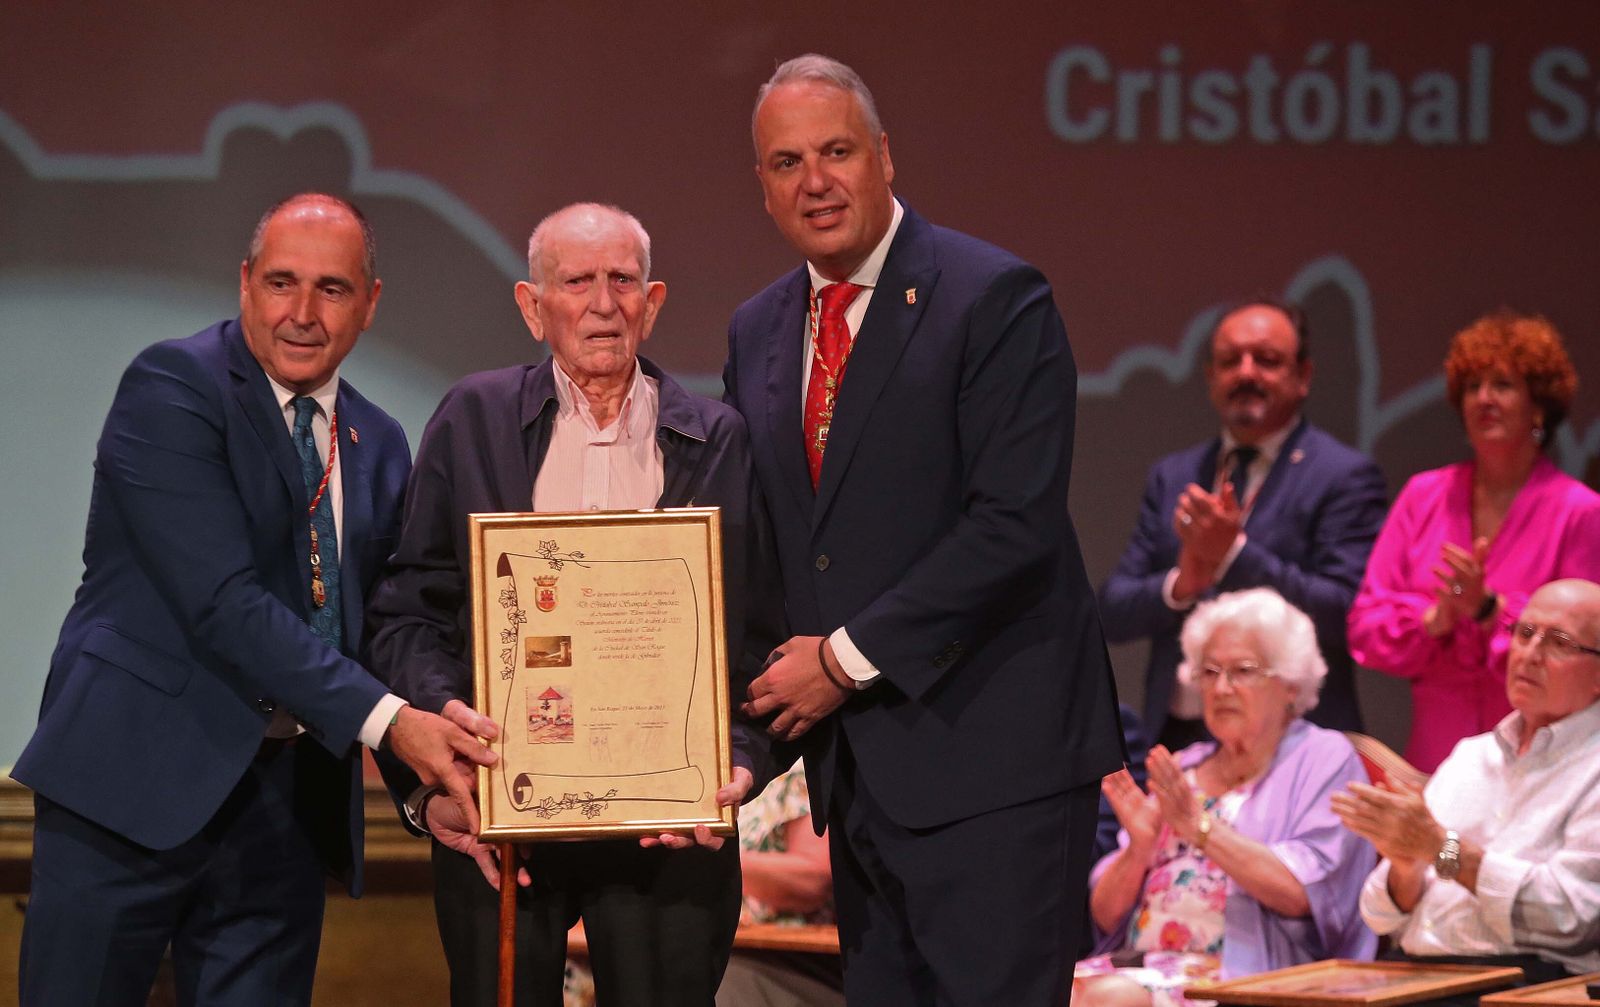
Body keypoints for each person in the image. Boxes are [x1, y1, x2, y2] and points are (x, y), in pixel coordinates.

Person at [12, 193, 497, 1007]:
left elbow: (369, 633)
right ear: (244, 285)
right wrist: (395, 726)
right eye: (281, 282)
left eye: (333, 289)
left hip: (282, 810)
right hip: (124, 793)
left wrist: (417, 786)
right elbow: (223, 602)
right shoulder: (172, 387)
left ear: (371, 303)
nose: (302, 313)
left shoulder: (376, 442)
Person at [725, 54, 1124, 1005]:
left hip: (995, 769)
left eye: (837, 152)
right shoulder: (758, 329)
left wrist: (844, 660)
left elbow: (1012, 527)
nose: (816, 181)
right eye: (787, 163)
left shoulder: (993, 297)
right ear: (763, 187)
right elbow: (773, 548)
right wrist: (734, 742)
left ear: (886, 157)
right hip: (862, 781)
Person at [367, 202, 785, 1006]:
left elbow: (760, 636)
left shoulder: (718, 438)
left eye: (623, 280)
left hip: (667, 833)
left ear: (653, 301)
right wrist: (449, 720)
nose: (603, 303)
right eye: (577, 281)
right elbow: (407, 610)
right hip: (506, 815)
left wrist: (737, 761)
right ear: (532, 307)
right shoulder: (472, 418)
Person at [1100, 298, 1387, 750]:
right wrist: (1183, 583)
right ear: (1211, 377)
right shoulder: (1173, 475)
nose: (1246, 373)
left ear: (1303, 376)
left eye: (1267, 361)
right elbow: (1112, 611)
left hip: (1293, 742)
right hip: (1179, 735)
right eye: (1230, 361)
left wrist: (1233, 555)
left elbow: (1346, 612)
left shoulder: (1343, 475)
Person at [1079, 588, 1376, 1007]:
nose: (1221, 688)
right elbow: (1105, 913)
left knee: (1110, 1000)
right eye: (1210, 671)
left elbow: (1302, 892)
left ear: (1291, 684)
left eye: (1242, 670)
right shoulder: (1183, 768)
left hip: (1240, 980)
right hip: (1133, 967)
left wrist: (1199, 828)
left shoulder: (1323, 759)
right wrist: (1139, 849)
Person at [1346, 312, 1600, 771]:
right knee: (1436, 847)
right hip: (1435, 750)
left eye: (1502, 385)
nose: (1484, 398)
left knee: (1482, 850)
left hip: (1540, 757)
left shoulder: (1580, 511)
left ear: (1538, 407)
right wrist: (1435, 619)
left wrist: (1490, 612)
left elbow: (1585, 646)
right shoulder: (1424, 496)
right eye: (1472, 387)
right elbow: (1366, 625)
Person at [1335, 578, 1600, 989]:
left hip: (1527, 986)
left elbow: (1571, 917)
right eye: (1525, 633)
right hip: (1415, 977)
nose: (1530, 654)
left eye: (1559, 643)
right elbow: (1379, 913)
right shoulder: (1472, 756)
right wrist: (1405, 866)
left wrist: (1443, 850)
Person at [716, 766, 844, 1007]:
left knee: (718, 984)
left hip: (790, 958)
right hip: (721, 945)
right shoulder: (705, 772)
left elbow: (813, 879)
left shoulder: (795, 773)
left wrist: (713, 861)